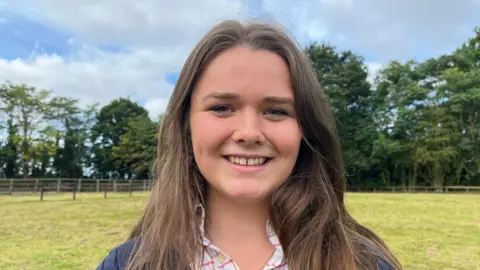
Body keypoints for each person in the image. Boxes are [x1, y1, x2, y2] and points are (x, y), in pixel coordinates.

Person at [96, 19, 402, 270]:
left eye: (276, 111)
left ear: (305, 129)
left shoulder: (367, 264)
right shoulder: (127, 264)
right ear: (186, 123)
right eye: (222, 107)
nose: (248, 133)